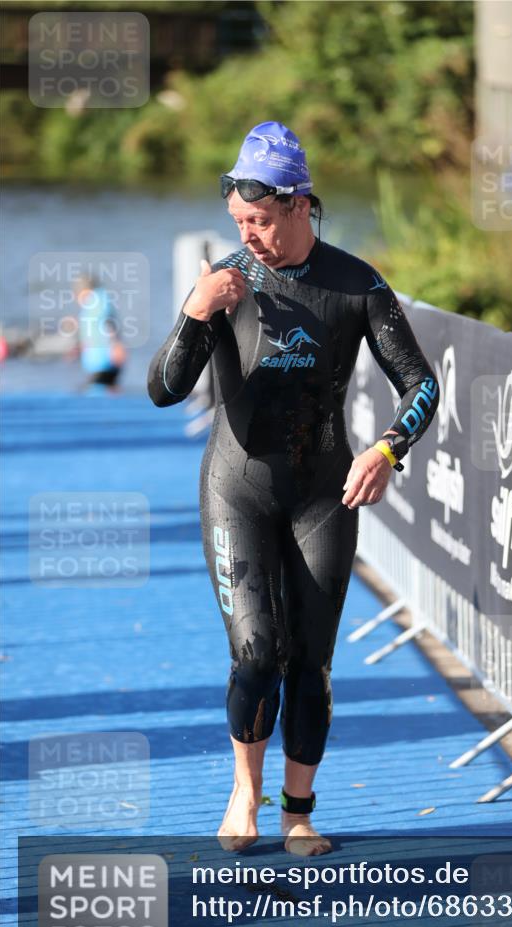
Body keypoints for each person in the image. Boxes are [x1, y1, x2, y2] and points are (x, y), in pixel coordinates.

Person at [147, 121, 440, 856]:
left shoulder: (355, 284)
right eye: (239, 221)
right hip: (236, 490)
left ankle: (297, 810)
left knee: (310, 659)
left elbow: (421, 383)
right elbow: (163, 389)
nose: (249, 236)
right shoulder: (224, 282)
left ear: (301, 205)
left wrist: (387, 448)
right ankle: (243, 792)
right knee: (255, 654)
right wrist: (194, 313)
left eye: (263, 221)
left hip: (322, 495)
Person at [66, 274, 126, 394]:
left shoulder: (97, 302)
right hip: (99, 362)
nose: (76, 298)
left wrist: (116, 345)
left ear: (85, 290)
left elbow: (109, 323)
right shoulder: (92, 304)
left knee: (97, 393)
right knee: (102, 391)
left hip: (104, 362)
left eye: (77, 294)